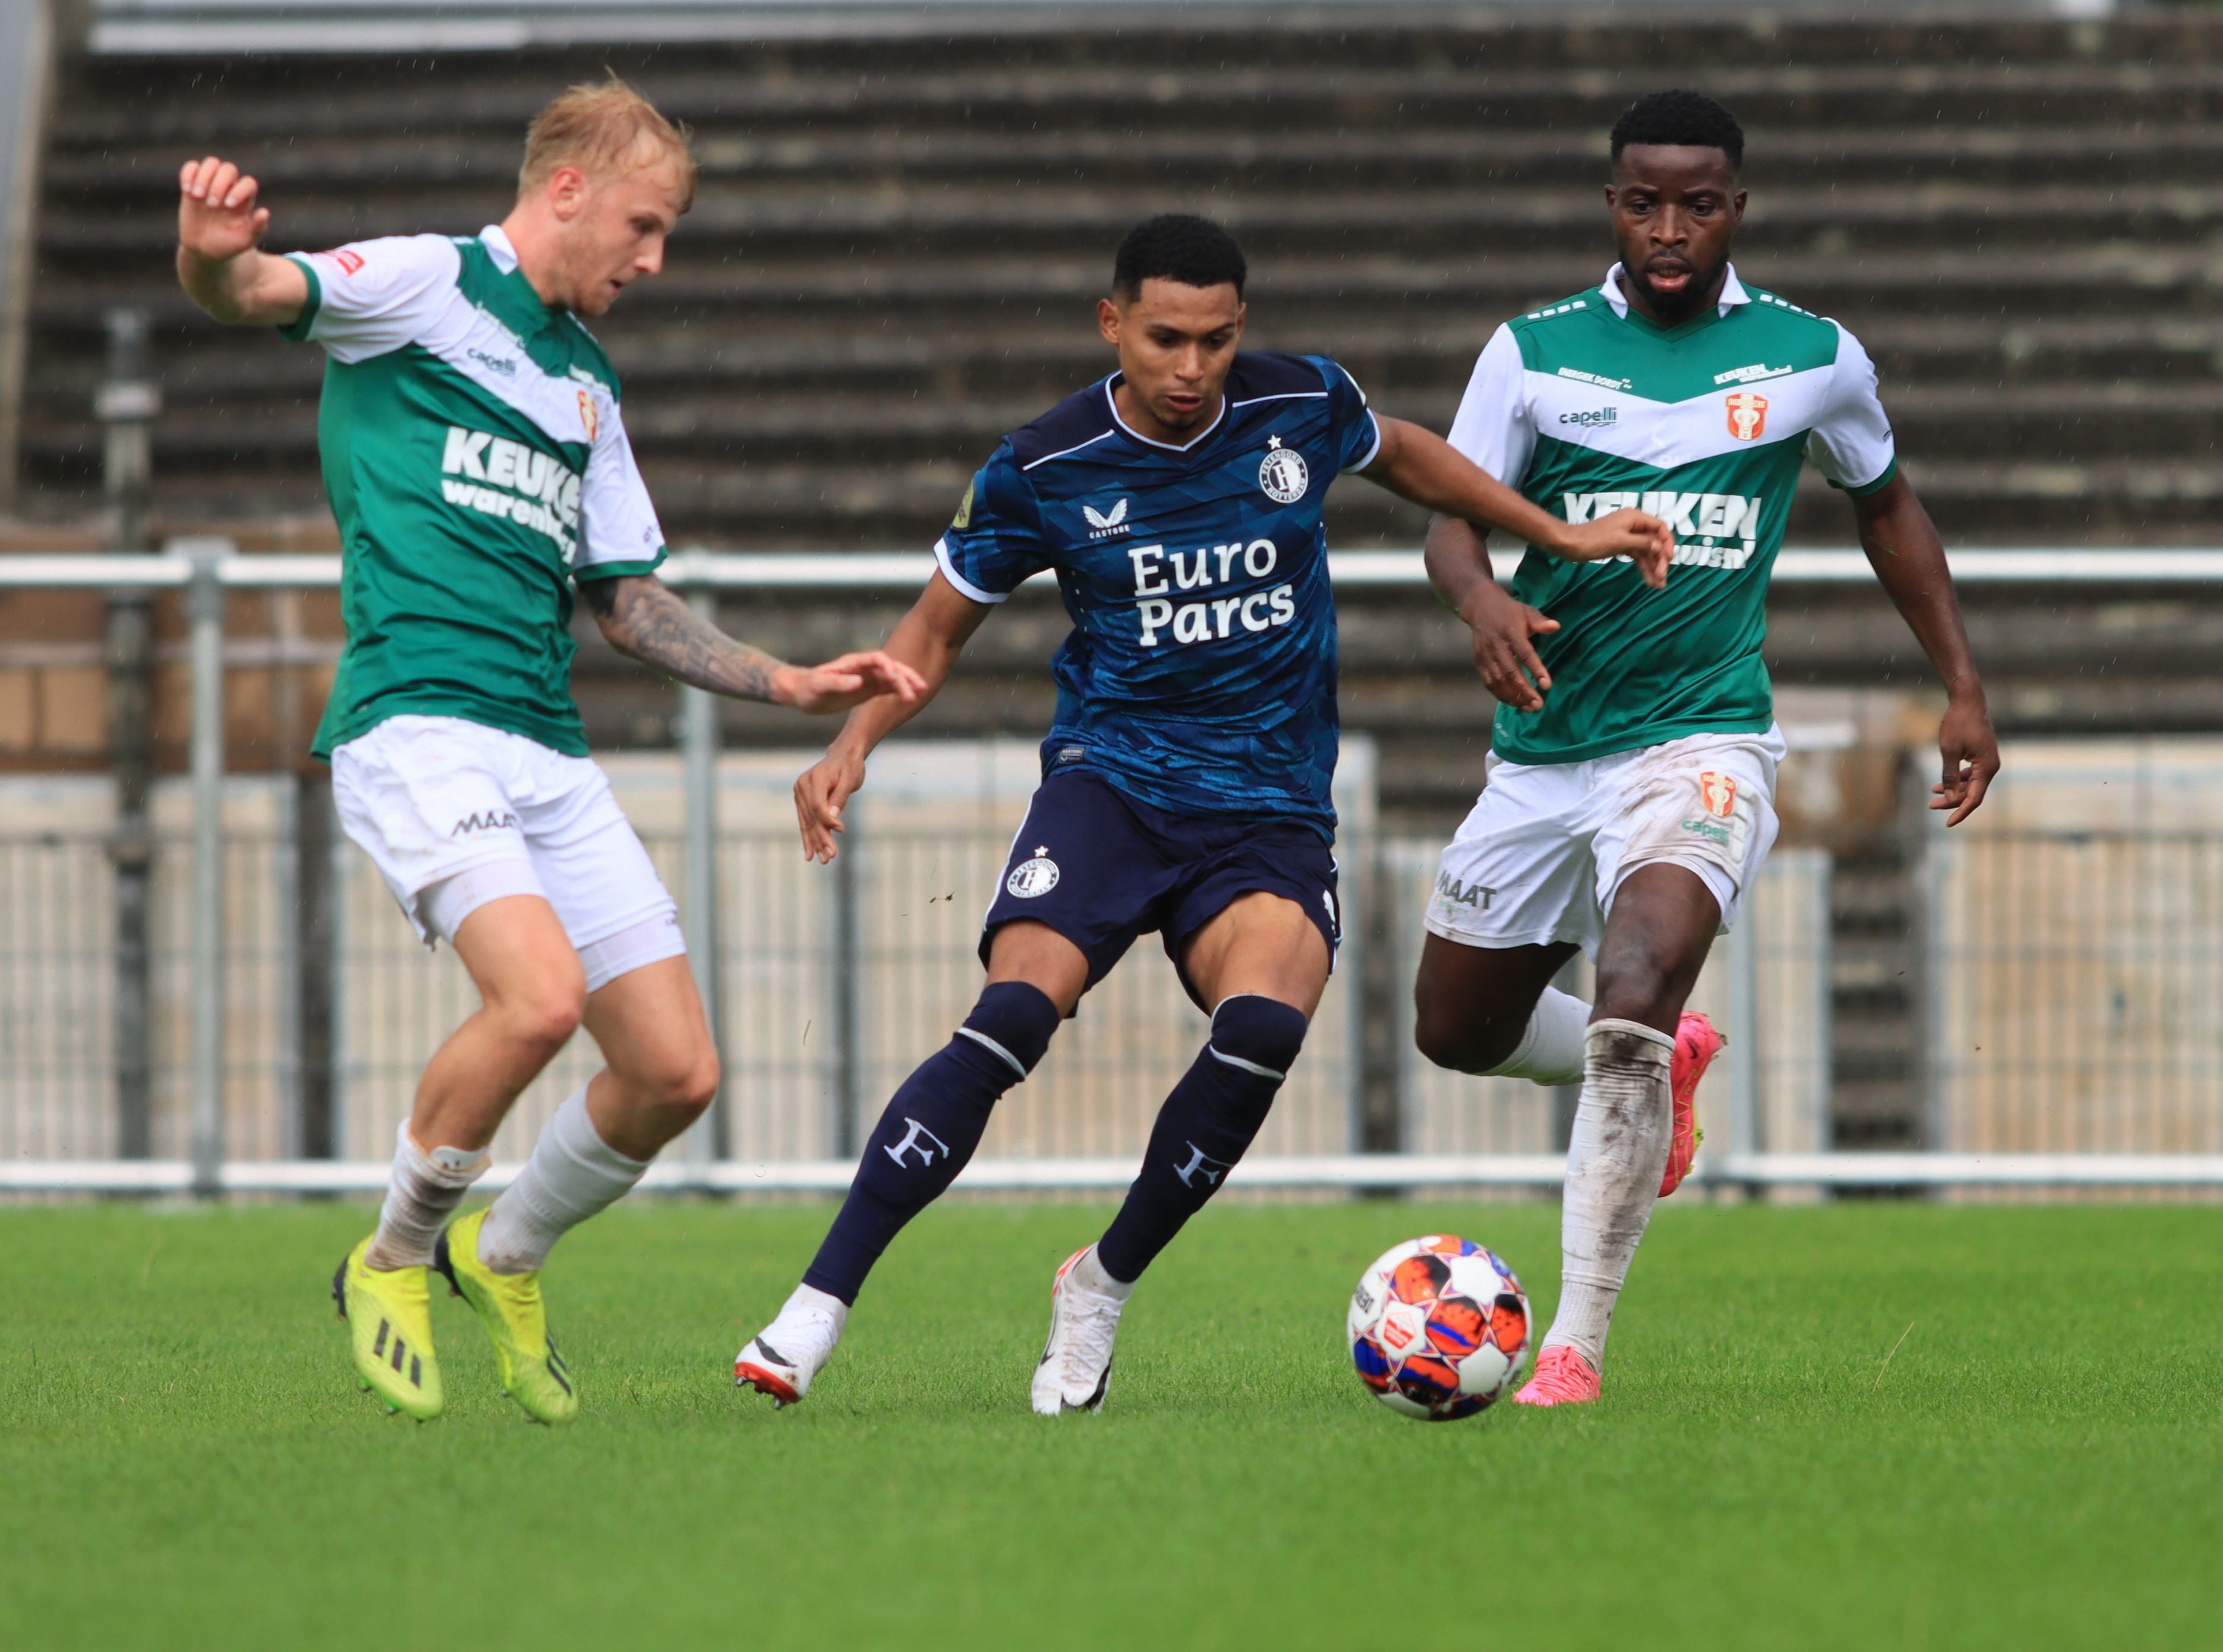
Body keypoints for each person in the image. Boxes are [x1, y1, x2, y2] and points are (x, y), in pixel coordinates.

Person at [732, 214, 1675, 1414]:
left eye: (1216, 341)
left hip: (1269, 809)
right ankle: (815, 1308)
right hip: (1112, 788)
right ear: (1111, 323)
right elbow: (936, 625)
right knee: (1011, 1015)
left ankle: (1101, 1286)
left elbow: (1406, 453)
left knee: (1263, 1031)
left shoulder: (1299, 405)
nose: (1191, 369)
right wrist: (852, 742)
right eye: (1165, 339)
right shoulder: (1046, 465)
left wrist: (1553, 533)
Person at [175, 79, 923, 1425]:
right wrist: (207, 253)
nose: (655, 260)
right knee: (536, 1001)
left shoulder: (587, 382)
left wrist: (788, 682)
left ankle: (503, 1251)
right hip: (418, 722)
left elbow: (623, 600)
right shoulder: (429, 284)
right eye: (644, 225)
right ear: (568, 190)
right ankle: (392, 1256)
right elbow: (252, 292)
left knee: (676, 1071)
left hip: (546, 749)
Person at [1411, 90, 1999, 1406]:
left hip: (1703, 736)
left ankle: (1572, 1346)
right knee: (1456, 1026)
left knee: (1637, 972)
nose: (1668, 229)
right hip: (1546, 746)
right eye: (1643, 203)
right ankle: (1664, 1060)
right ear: (1610, 206)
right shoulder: (1532, 352)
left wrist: (1962, 685)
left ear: (1738, 206)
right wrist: (1482, 600)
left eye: (1696, 204)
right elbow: (1450, 517)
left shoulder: (1812, 356)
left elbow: (1887, 504)